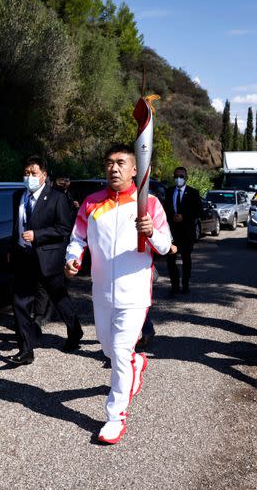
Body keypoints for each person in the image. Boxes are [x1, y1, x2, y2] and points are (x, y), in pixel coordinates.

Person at [65, 143, 172, 444]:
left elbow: (165, 246)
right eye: (110, 162)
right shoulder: (91, 203)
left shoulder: (148, 202)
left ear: (135, 169)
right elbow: (77, 239)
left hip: (135, 292)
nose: (114, 168)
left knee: (121, 353)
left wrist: (151, 232)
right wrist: (72, 259)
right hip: (101, 291)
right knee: (108, 349)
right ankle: (136, 364)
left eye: (121, 162)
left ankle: (115, 417)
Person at [8, 156, 83, 366]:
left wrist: (38, 235)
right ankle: (25, 350)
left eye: (34, 173)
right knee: (20, 303)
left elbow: (64, 228)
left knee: (58, 297)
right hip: (24, 257)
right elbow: (16, 227)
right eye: (26, 173)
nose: (29, 177)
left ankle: (75, 331)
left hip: (48, 257)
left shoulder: (56, 197)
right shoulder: (18, 196)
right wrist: (12, 249)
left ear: (44, 176)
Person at [164, 166, 203, 295]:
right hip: (172, 233)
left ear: (186, 177)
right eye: (176, 176)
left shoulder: (193, 192)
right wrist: (172, 217)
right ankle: (174, 286)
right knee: (170, 261)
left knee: (186, 260)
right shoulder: (169, 191)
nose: (178, 179)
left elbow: (198, 211)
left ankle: (185, 285)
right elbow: (165, 210)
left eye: (181, 176)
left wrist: (184, 217)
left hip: (187, 233)